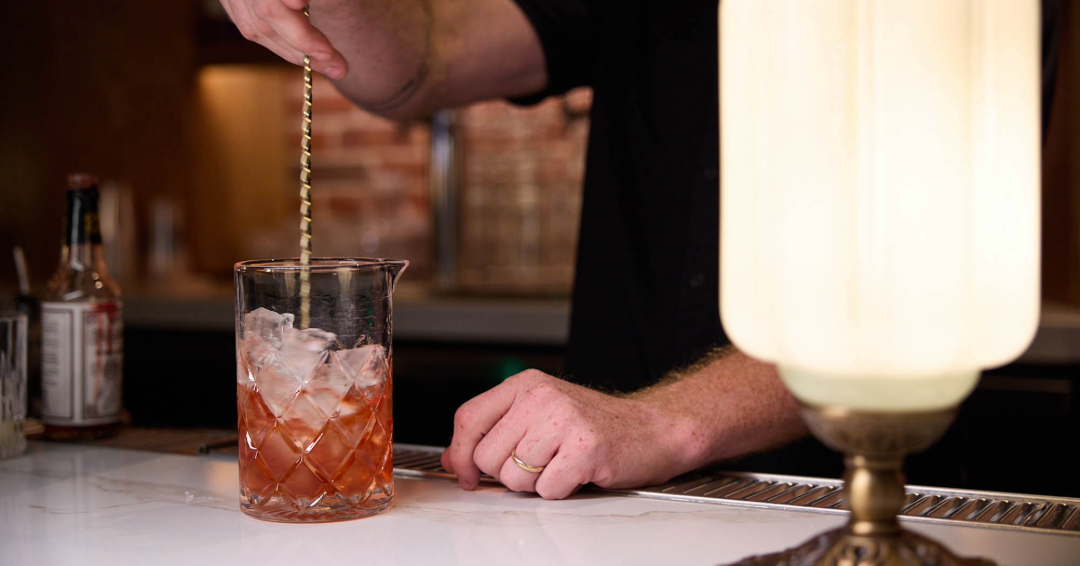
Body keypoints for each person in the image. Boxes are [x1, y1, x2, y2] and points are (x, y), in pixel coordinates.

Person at [219, 0, 810, 500]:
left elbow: (900, 320)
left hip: (835, 497)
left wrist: (666, 423)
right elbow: (423, 60)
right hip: (589, 493)